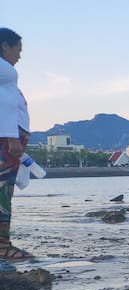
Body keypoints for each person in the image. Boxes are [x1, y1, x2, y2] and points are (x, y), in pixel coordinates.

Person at [0, 27, 32, 260]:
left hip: (8, 138)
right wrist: (11, 135)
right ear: (5, 46)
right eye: (17, 49)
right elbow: (5, 102)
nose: (20, 55)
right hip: (6, 141)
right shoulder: (6, 70)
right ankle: (2, 246)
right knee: (2, 190)